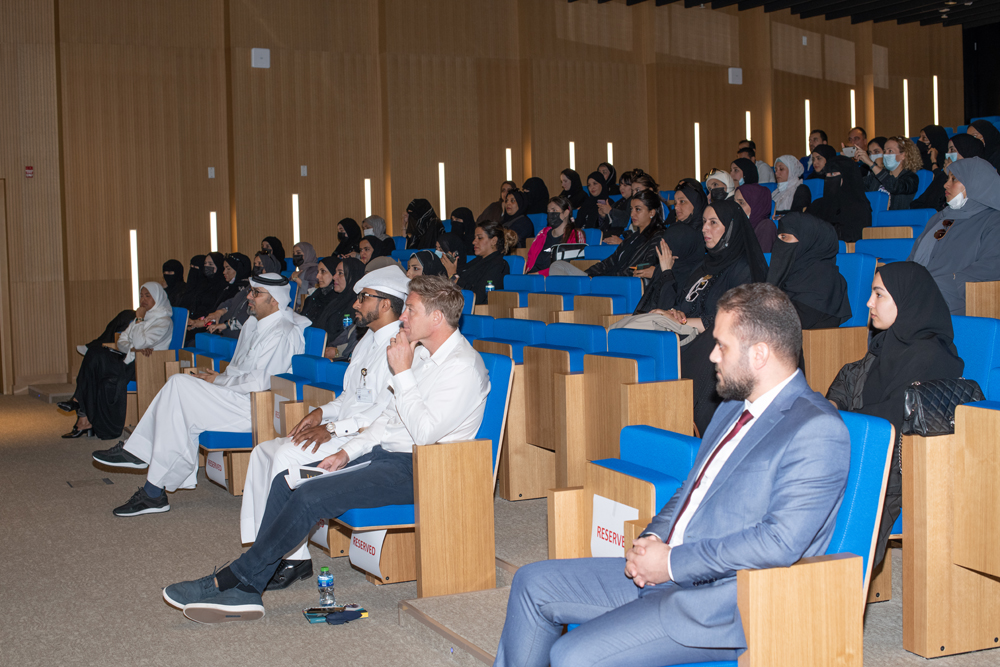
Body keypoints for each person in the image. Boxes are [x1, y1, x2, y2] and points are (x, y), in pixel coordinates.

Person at [493, 283, 850, 667]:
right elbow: (692, 487)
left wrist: (672, 563)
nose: (712, 355)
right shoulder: (733, 406)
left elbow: (778, 543)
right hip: (670, 569)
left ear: (759, 354)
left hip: (724, 603)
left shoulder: (815, 429)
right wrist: (653, 536)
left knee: (572, 656)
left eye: (722, 346)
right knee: (532, 584)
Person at [162, 276, 490, 623]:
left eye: (410, 308)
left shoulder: (463, 367)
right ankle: (250, 582)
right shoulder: (421, 355)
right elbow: (388, 419)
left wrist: (403, 372)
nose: (403, 315)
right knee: (287, 482)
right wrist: (347, 452)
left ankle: (234, 580)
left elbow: (423, 435)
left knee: (310, 496)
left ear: (437, 318)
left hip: (425, 468)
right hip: (384, 455)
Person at [239, 267, 407, 587]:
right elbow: (349, 396)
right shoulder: (367, 339)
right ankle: (271, 548)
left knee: (288, 455)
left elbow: (385, 412)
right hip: (345, 426)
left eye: (363, 298)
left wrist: (333, 429)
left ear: (386, 304)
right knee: (264, 451)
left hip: (369, 439)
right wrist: (320, 413)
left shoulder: (400, 346)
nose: (355, 304)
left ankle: (289, 558)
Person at [92, 273, 307, 516]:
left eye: (256, 293)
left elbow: (261, 381)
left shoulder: (284, 332)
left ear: (275, 300)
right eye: (251, 291)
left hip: (257, 407)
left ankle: (141, 459)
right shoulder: (253, 324)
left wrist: (219, 380)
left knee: (179, 385)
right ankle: (152, 489)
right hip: (237, 397)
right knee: (178, 401)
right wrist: (215, 378)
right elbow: (241, 370)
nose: (249, 296)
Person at [827, 262, 962, 566]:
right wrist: (833, 406)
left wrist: (840, 422)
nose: (868, 303)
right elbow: (852, 377)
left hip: (900, 466)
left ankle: (831, 583)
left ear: (906, 299)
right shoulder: (889, 341)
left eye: (879, 295)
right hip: (868, 444)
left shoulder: (933, 357)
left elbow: (892, 415)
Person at [634, 199, 767, 433]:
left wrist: (684, 320)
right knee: (637, 331)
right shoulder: (704, 265)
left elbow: (738, 319)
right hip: (685, 332)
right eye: (704, 222)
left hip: (713, 337)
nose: (705, 228)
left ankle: (682, 426)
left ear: (732, 227)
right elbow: (683, 303)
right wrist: (677, 313)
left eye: (714, 223)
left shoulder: (743, 268)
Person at [63, 283, 174, 440]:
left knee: (95, 360)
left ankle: (80, 407)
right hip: (130, 360)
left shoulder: (164, 322)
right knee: (94, 354)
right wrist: (133, 347)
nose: (143, 299)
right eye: (141, 295)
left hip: (144, 367)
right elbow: (122, 341)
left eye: (148, 296)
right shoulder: (141, 319)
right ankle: (82, 412)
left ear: (158, 297)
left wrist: (139, 323)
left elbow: (140, 343)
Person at [908, 156, 1000, 315]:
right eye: (947, 178)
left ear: (975, 182)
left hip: (958, 294)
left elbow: (991, 266)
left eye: (954, 179)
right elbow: (913, 259)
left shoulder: (994, 220)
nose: (945, 184)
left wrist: (951, 281)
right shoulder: (938, 217)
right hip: (923, 287)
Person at [549, 190, 666, 280]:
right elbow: (609, 262)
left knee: (559, 268)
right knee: (558, 266)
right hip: (606, 280)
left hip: (619, 283)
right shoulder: (632, 237)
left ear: (652, 212)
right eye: (631, 209)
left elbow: (638, 269)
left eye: (638, 209)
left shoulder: (657, 237)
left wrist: (602, 278)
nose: (632, 214)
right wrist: (587, 274)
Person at [766, 213, 851, 329]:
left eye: (784, 237)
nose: (778, 243)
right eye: (779, 237)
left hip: (816, 343)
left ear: (807, 240)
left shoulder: (825, 279)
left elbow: (794, 321)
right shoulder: (792, 271)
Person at [300, 257, 366, 356]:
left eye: (340, 273)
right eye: (335, 273)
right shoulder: (336, 301)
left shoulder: (359, 306)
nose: (334, 277)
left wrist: (336, 351)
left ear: (352, 276)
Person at [185, 253, 252, 344]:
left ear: (239, 269)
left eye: (228, 268)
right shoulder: (228, 288)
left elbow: (235, 316)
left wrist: (202, 323)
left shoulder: (244, 290)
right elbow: (219, 310)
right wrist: (197, 322)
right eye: (224, 268)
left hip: (231, 334)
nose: (224, 272)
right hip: (216, 328)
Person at [807, 154, 872, 242]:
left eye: (833, 174)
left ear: (846, 177)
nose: (829, 179)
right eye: (827, 175)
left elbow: (853, 238)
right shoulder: (817, 205)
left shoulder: (859, 207)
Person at [911, 133, 986, 211]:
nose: (948, 154)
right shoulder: (943, 176)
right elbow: (918, 203)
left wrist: (951, 176)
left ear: (966, 152)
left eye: (952, 150)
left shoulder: (978, 179)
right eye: (948, 150)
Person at [446, 221, 510, 304]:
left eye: (479, 238)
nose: (474, 242)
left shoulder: (499, 265)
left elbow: (479, 297)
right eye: (475, 238)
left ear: (494, 241)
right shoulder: (477, 261)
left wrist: (453, 277)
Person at [526, 196, 585, 276]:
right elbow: (530, 258)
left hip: (556, 280)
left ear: (566, 213)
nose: (550, 214)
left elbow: (571, 265)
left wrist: (539, 274)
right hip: (534, 277)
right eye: (548, 211)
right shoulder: (542, 233)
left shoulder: (576, 235)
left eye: (554, 210)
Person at [858, 136, 921, 210]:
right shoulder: (876, 177)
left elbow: (894, 186)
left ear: (903, 155)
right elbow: (857, 184)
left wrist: (871, 164)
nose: (885, 155)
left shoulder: (911, 178)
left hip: (893, 219)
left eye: (890, 151)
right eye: (884, 151)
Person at [179, 253, 227, 322]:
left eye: (210, 264)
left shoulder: (224, 287)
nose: (207, 266)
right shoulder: (203, 285)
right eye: (205, 264)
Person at [735, 184, 776, 252]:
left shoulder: (766, 227)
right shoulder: (739, 226)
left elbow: (760, 260)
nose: (735, 207)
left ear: (756, 205)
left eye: (741, 203)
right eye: (734, 202)